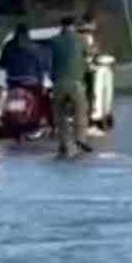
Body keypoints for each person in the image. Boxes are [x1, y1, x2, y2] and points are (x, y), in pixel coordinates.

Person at [49, 15, 93, 158]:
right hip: (75, 83)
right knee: (81, 110)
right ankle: (80, 138)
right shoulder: (81, 39)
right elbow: (90, 54)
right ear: (73, 25)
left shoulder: (54, 41)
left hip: (59, 83)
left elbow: (51, 61)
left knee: (59, 114)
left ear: (61, 25)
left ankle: (63, 142)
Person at [0, 23, 42, 88]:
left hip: (13, 82)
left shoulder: (9, 45)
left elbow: (1, 64)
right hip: (29, 82)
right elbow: (39, 65)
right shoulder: (33, 46)